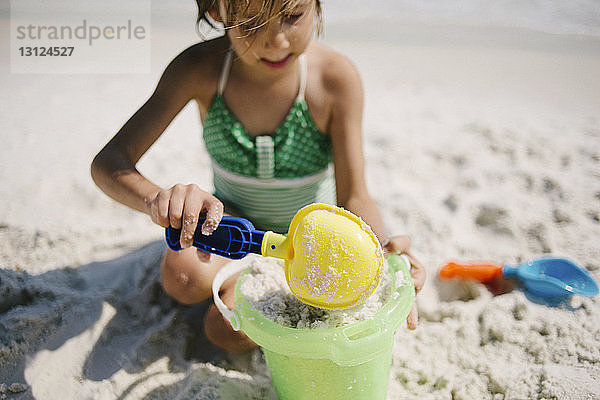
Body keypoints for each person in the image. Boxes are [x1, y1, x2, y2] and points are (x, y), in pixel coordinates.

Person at [91, 0, 426, 354]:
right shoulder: (200, 69)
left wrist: (383, 262)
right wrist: (157, 199)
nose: (277, 40)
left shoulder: (334, 79)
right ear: (217, 11)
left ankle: (264, 284)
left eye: (293, 16)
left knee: (224, 330)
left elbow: (355, 196)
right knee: (183, 279)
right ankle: (243, 274)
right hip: (235, 224)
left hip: (312, 245)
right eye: (251, 24)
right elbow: (109, 162)